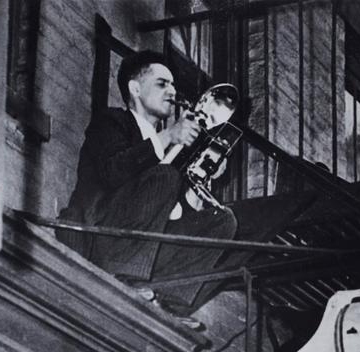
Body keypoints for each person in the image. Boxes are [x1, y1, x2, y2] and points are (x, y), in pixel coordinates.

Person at [57, 50, 237, 316]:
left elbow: (172, 214)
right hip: (102, 237)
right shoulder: (112, 121)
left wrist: (201, 177)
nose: (172, 91)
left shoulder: (171, 147)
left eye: (173, 84)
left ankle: (169, 300)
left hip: (145, 250)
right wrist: (168, 138)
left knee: (224, 220)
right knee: (165, 176)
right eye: (162, 83)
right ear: (135, 88)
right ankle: (126, 278)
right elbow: (111, 172)